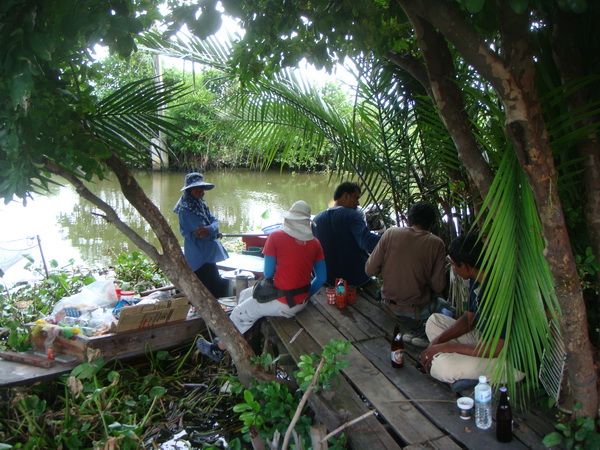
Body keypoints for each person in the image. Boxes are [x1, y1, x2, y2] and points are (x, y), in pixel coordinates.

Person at [196, 201, 327, 362]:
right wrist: (304, 295)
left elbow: (267, 273)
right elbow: (321, 278)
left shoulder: (276, 236)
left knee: (239, 312)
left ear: (289, 219)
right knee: (245, 294)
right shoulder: (315, 243)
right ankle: (244, 334)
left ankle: (218, 349)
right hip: (301, 302)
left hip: (283, 304)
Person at [419, 233, 525, 388]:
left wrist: (447, 347)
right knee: (435, 321)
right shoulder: (478, 278)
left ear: (465, 266)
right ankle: (457, 364)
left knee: (442, 367)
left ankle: (454, 366)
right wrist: (438, 341)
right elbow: (468, 320)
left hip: (507, 360)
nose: (453, 269)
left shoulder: (498, 290)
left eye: (454, 265)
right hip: (484, 339)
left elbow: (497, 349)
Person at [365, 202, 450, 346]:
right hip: (418, 311)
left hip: (388, 306)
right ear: (432, 224)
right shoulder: (437, 244)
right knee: (448, 308)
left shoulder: (390, 233)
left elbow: (370, 270)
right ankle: (423, 333)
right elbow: (438, 286)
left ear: (409, 219)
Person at [313, 182, 380, 287]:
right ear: (346, 196)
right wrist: (390, 239)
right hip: (355, 279)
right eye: (356, 198)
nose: (358, 203)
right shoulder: (352, 215)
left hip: (329, 279)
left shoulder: (317, 219)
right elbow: (367, 242)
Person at [174, 172, 230, 298]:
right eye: (196, 187)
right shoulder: (186, 210)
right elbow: (202, 234)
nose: (201, 190)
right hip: (198, 255)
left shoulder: (200, 203)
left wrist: (210, 229)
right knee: (206, 290)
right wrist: (212, 231)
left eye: (201, 187)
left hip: (208, 254)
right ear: (189, 189)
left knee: (214, 286)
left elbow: (215, 221)